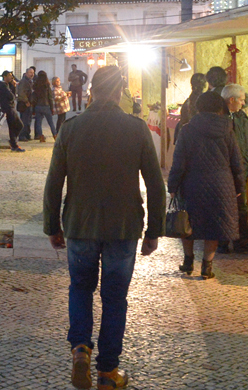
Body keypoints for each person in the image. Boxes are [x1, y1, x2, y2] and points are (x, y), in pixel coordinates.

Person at [44, 66, 164, 390]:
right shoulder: (136, 129)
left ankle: (80, 349)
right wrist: (154, 229)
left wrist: (52, 225)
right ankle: (108, 373)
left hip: (79, 225)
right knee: (115, 299)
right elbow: (155, 183)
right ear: (118, 91)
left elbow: (54, 182)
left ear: (92, 91)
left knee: (80, 288)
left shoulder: (71, 128)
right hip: (123, 228)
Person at [168, 92, 243, 280]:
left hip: (192, 183)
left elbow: (179, 162)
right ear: (220, 108)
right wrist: (240, 187)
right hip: (221, 184)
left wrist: (173, 185)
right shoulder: (228, 130)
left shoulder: (187, 129)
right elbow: (237, 162)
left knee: (187, 222)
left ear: (198, 107)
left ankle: (188, 261)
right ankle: (207, 266)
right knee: (215, 225)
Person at [221, 84, 248, 254]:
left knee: (241, 207)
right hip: (223, 171)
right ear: (232, 100)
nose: (243, 104)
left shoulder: (242, 118)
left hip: (240, 170)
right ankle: (222, 242)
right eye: (242, 100)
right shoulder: (219, 118)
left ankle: (241, 241)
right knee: (223, 206)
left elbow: (247, 144)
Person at [0, 71, 25, 152]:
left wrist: (13, 86)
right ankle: (13, 142)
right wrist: (13, 87)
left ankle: (13, 143)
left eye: (12, 75)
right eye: (9, 75)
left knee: (14, 126)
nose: (11, 77)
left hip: (11, 107)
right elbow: (11, 96)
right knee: (18, 125)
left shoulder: (7, 85)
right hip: (8, 108)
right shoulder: (2, 85)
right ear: (4, 76)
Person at [175, 73, 207, 144]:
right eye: (205, 82)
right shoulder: (203, 100)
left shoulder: (189, 100)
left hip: (187, 137)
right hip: (197, 139)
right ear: (202, 84)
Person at [31, 71, 56, 143]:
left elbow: (34, 97)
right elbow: (50, 98)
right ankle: (55, 135)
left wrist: (33, 108)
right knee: (50, 122)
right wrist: (52, 108)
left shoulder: (36, 85)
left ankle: (41, 137)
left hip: (38, 106)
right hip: (46, 105)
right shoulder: (47, 85)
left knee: (38, 122)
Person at [17, 67, 36, 141]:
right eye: (30, 73)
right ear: (26, 73)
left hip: (29, 104)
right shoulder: (24, 81)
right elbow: (21, 93)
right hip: (24, 104)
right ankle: (22, 135)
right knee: (24, 120)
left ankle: (27, 134)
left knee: (28, 120)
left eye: (33, 73)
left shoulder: (30, 81)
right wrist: (26, 101)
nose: (32, 74)